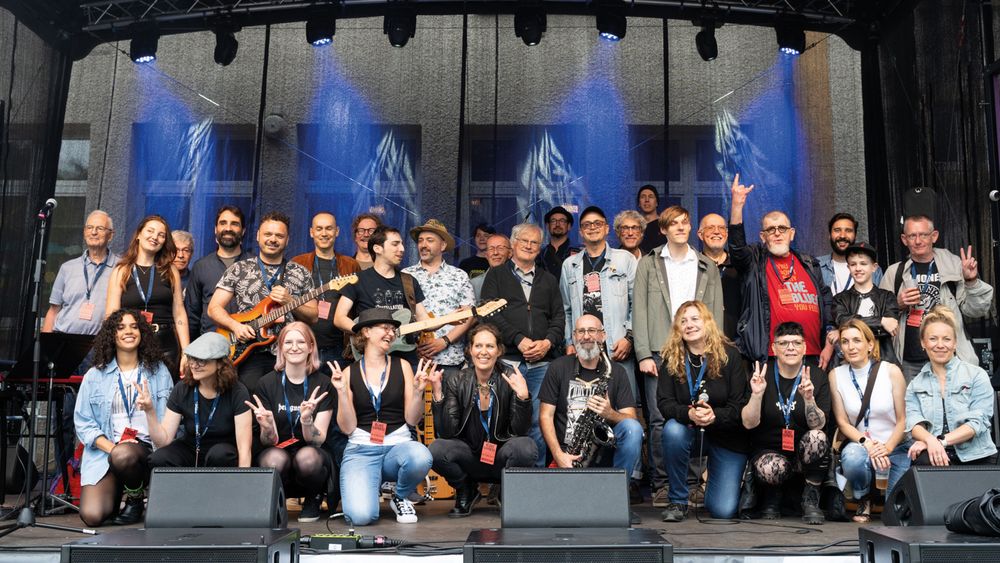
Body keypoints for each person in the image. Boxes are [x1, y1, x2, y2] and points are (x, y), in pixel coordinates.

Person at [633, 205, 723, 507]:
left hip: (699, 349)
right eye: (674, 223)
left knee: (699, 414)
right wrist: (643, 353)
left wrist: (715, 351)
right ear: (663, 229)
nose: (681, 227)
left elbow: (714, 311)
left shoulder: (706, 265)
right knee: (659, 420)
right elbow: (639, 310)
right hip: (659, 350)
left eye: (685, 222)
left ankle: (694, 484)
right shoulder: (649, 263)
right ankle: (662, 484)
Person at [329, 309, 434, 525]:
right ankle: (370, 484)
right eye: (385, 328)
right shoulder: (348, 373)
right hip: (361, 451)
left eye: (393, 329)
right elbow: (347, 428)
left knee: (421, 456)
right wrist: (341, 393)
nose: (391, 333)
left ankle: (400, 496)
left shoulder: (402, 366)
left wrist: (418, 392)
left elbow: (412, 420)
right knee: (360, 517)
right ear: (366, 332)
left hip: (398, 447)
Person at [538, 313, 643, 524]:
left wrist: (609, 413)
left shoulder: (616, 372)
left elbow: (632, 420)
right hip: (569, 456)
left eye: (592, 331)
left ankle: (617, 501)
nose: (586, 336)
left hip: (606, 455)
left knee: (633, 429)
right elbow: (545, 416)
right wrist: (559, 455)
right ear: (574, 336)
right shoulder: (558, 367)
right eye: (581, 331)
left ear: (603, 335)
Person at [74, 309, 173, 527]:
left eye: (134, 326)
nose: (128, 331)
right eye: (121, 328)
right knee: (92, 516)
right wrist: (113, 448)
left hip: (146, 451)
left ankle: (135, 498)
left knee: (124, 455)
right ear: (112, 335)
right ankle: (118, 490)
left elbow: (170, 420)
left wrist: (150, 410)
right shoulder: (94, 376)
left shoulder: (159, 371)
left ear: (142, 333)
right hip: (107, 452)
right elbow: (84, 424)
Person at [728, 174, 837, 368]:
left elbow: (826, 302)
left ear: (791, 233)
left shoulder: (809, 263)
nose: (777, 233)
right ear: (763, 236)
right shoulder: (755, 260)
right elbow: (737, 250)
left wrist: (828, 344)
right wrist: (737, 206)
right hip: (771, 358)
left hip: (813, 355)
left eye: (782, 228)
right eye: (771, 230)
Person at [428, 324, 537, 517]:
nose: (483, 352)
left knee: (526, 447)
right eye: (478, 346)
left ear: (499, 350)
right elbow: (447, 433)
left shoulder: (512, 379)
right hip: (469, 457)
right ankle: (467, 490)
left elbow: (520, 432)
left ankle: (506, 490)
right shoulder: (456, 380)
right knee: (436, 450)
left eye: (490, 346)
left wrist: (523, 398)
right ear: (470, 350)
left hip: (501, 456)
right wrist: (438, 396)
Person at [480, 222, 565, 465]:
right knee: (501, 419)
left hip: (542, 365)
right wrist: (518, 339)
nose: (529, 246)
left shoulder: (548, 279)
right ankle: (500, 476)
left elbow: (559, 317)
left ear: (540, 247)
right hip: (507, 362)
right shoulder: (496, 275)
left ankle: (535, 477)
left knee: (539, 421)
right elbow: (489, 313)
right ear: (513, 244)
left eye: (534, 242)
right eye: (524, 241)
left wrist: (547, 343)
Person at [657, 301, 749, 522]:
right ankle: (678, 500)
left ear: (707, 322)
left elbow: (739, 406)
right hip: (690, 432)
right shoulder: (671, 359)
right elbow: (665, 403)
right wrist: (689, 414)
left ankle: (715, 484)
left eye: (695, 319)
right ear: (677, 328)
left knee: (723, 511)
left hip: (726, 436)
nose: (689, 325)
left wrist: (715, 416)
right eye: (683, 321)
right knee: (672, 430)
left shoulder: (730, 356)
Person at [208, 211, 317, 392]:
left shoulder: (300, 272)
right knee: (252, 401)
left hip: (290, 353)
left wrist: (290, 300)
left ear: (287, 240)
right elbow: (213, 308)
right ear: (258, 236)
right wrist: (235, 326)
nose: (273, 239)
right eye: (268, 234)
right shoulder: (239, 269)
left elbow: (313, 316)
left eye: (279, 236)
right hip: (250, 353)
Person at [879, 215, 995, 381]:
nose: (918, 241)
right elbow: (880, 318)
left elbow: (976, 311)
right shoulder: (894, 273)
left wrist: (971, 280)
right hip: (910, 362)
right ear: (904, 240)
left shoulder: (953, 266)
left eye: (923, 235)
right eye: (912, 236)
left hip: (950, 358)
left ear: (934, 236)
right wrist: (898, 304)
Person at [741, 321, 831, 525]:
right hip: (770, 450)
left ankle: (811, 496)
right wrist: (757, 395)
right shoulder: (761, 375)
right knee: (769, 467)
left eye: (796, 343)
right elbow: (748, 424)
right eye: (783, 343)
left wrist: (809, 399)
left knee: (817, 438)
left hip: (803, 453)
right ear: (774, 348)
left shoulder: (817, 376)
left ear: (805, 347)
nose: (791, 348)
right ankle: (773, 495)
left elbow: (818, 427)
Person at [245, 322, 335, 523]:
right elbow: (269, 442)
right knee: (272, 459)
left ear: (311, 347)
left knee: (308, 457)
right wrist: (267, 426)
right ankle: (277, 502)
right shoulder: (266, 383)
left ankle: (313, 498)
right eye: (288, 342)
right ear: (280, 348)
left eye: (301, 342)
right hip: (279, 451)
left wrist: (306, 420)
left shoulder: (323, 383)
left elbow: (317, 441)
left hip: (311, 456)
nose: (294, 347)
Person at [829, 319, 909, 523]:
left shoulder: (891, 371)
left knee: (894, 514)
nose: (851, 346)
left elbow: (903, 420)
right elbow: (842, 422)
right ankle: (863, 497)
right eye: (845, 341)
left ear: (870, 344)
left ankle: (883, 498)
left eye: (857, 340)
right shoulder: (836, 375)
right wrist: (868, 444)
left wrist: (887, 448)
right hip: (862, 445)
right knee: (852, 458)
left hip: (896, 446)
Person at [560, 205, 638, 401]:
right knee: (585, 407)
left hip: (617, 347)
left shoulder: (625, 260)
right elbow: (566, 309)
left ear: (606, 228)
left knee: (624, 406)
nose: (592, 227)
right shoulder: (570, 265)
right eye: (587, 224)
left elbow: (637, 304)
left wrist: (629, 338)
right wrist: (569, 342)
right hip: (583, 347)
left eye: (597, 223)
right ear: (580, 232)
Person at [905, 306, 997, 466]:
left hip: (975, 455)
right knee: (920, 462)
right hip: (936, 455)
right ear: (923, 343)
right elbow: (914, 423)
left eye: (946, 339)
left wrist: (940, 441)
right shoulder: (916, 384)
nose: (940, 345)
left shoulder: (976, 375)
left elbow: (978, 422)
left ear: (955, 343)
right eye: (933, 339)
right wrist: (929, 440)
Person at [146, 332, 253, 469]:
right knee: (158, 458)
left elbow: (244, 449)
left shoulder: (237, 392)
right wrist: (149, 411)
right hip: (192, 450)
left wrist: (244, 479)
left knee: (219, 454)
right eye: (191, 359)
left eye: (201, 360)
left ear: (220, 364)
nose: (194, 365)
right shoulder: (182, 388)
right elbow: (164, 440)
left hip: (223, 453)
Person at [105, 215, 190, 380]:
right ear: (138, 234)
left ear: (164, 241)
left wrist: (186, 351)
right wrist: (112, 349)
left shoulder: (170, 270)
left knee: (164, 393)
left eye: (161, 235)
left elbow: (179, 312)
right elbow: (111, 315)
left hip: (165, 344)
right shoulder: (122, 270)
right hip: (130, 342)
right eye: (150, 231)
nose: (155, 237)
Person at [334, 225, 433, 364]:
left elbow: (425, 321)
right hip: (371, 360)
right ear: (377, 248)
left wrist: (451, 318)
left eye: (402, 244)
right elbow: (339, 318)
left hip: (405, 359)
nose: (402, 249)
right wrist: (365, 334)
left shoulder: (409, 281)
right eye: (395, 244)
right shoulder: (357, 279)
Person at [402, 219, 475, 378]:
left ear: (442, 245)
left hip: (450, 359)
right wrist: (415, 346)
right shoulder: (405, 275)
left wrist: (445, 341)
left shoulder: (459, 276)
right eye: (420, 240)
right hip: (413, 360)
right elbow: (400, 315)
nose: (423, 245)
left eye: (430, 240)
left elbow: (468, 315)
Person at [290, 212, 361, 365]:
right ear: (311, 232)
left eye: (329, 228)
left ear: (337, 231)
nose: (324, 233)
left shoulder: (351, 265)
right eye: (319, 228)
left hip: (339, 349)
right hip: (303, 346)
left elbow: (358, 306)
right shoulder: (297, 263)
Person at [44, 210, 119, 335]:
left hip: (101, 342)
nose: (93, 232)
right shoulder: (67, 268)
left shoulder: (121, 267)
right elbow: (53, 310)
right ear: (84, 232)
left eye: (100, 228)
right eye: (89, 227)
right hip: (64, 338)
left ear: (110, 235)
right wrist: (47, 342)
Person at [185, 205, 249, 339]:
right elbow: (192, 315)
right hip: (210, 343)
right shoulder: (201, 266)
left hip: (248, 343)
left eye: (235, 224)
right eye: (223, 223)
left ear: (243, 231)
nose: (228, 228)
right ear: (215, 229)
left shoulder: (254, 265)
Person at [833, 242, 900, 364]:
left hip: (883, 362)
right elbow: (843, 322)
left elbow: (890, 328)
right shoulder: (839, 299)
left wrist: (850, 327)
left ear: (874, 267)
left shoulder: (888, 297)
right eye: (853, 264)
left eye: (863, 264)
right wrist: (881, 321)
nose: (858, 268)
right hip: (849, 364)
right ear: (848, 268)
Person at [696, 213, 742, 341]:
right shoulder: (693, 267)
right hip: (702, 342)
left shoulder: (740, 266)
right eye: (710, 227)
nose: (716, 232)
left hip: (737, 343)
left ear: (727, 234)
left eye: (721, 228)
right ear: (700, 234)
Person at [816, 213, 883, 296]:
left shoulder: (874, 270)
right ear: (829, 235)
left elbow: (880, 301)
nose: (842, 235)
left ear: (855, 236)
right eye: (837, 230)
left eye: (848, 231)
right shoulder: (816, 266)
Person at [539, 206, 578, 280]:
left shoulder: (578, 254)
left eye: (562, 221)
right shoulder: (539, 255)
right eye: (553, 221)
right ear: (547, 226)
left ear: (569, 226)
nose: (557, 224)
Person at [471, 234, 511, 301]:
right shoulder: (474, 284)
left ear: (510, 253)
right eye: (491, 249)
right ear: (486, 255)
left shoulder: (520, 281)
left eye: (500, 248)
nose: (495, 253)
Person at [637, 185, 667, 255]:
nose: (647, 200)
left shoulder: (665, 225)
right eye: (643, 197)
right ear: (639, 203)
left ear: (656, 203)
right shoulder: (634, 227)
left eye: (651, 197)